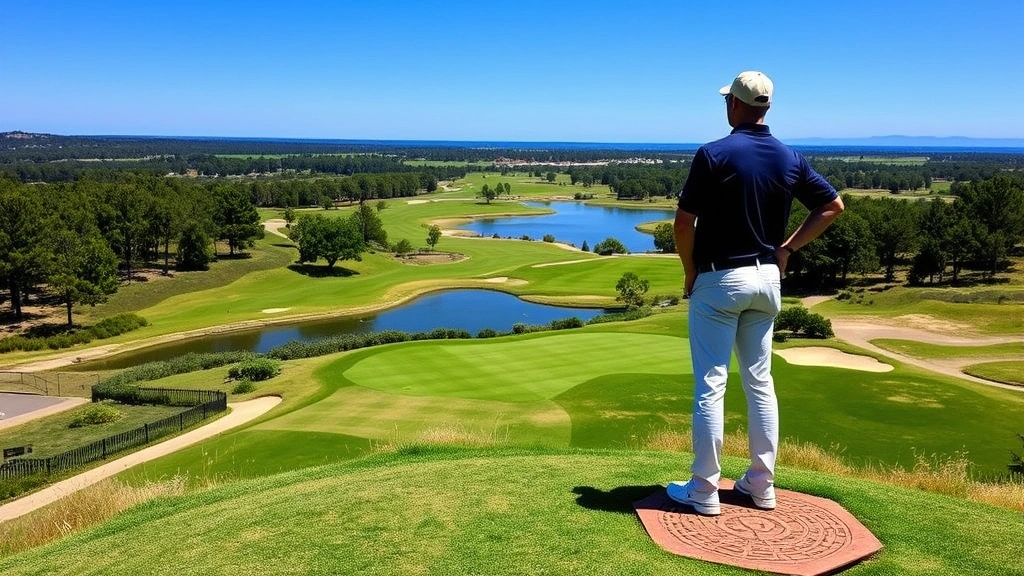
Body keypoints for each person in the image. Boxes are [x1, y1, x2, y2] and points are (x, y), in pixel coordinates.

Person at [668, 71, 845, 516]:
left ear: (734, 105)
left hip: (720, 280)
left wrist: (690, 272)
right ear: (766, 107)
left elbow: (683, 222)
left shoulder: (713, 153)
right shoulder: (789, 157)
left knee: (711, 383)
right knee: (759, 383)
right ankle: (761, 486)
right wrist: (787, 249)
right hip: (767, 280)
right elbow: (832, 206)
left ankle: (705, 490)